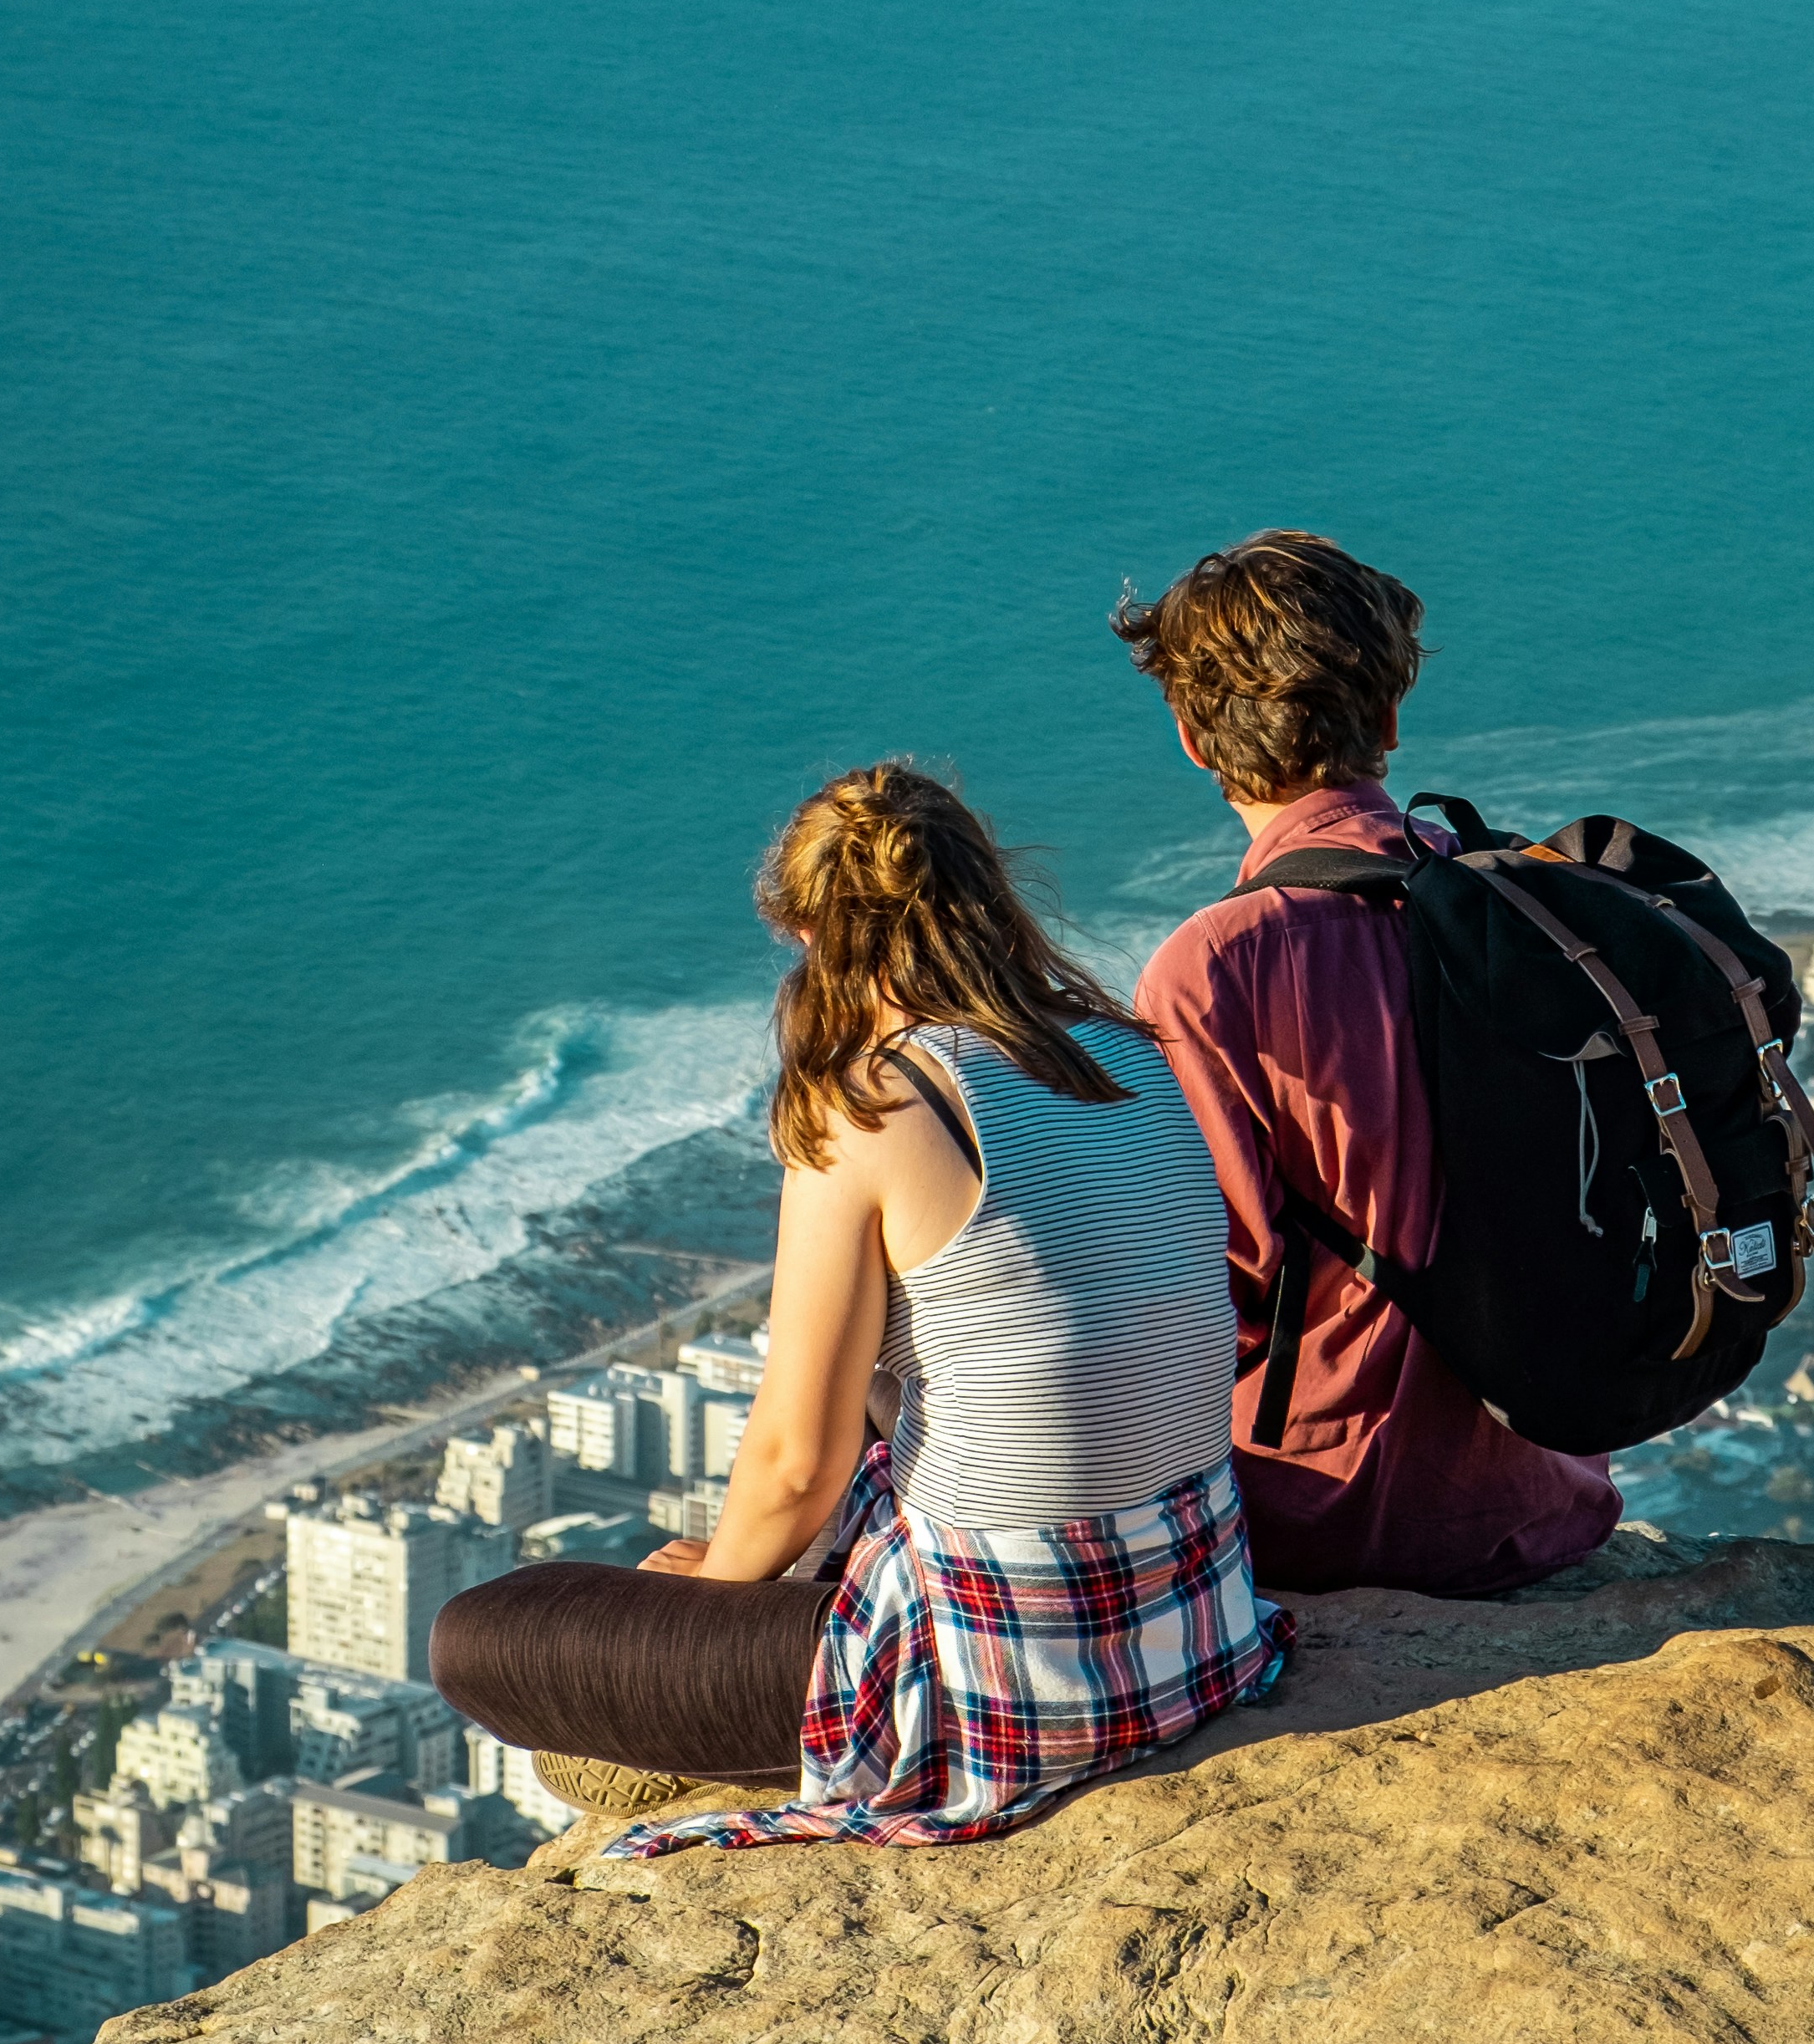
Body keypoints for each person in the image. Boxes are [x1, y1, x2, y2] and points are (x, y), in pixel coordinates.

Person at [432, 763, 1290, 1853]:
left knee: (487, 1633)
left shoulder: (877, 1102)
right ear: (989, 901)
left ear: (810, 934)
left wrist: (716, 1590)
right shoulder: (1129, 1056)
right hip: (1200, 1625)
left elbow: (796, 1463)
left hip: (1006, 1689)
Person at [1116, 529, 1621, 1597]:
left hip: (1316, 1515)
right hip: (1543, 1489)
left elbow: (1215, 1290)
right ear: (1389, 719)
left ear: (1190, 738)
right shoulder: (1520, 904)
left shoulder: (1213, 968)